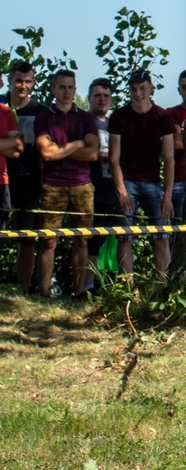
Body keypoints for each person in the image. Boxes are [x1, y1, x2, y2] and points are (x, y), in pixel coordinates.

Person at [33, 70, 99, 298]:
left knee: (82, 241)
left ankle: (79, 293)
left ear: (75, 89)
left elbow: (92, 153)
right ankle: (43, 293)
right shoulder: (43, 118)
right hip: (53, 185)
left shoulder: (86, 118)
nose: (67, 91)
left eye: (71, 87)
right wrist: (78, 143)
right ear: (53, 89)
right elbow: (46, 153)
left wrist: (60, 149)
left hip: (83, 185)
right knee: (48, 241)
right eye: (62, 87)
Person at [108, 70, 175, 276]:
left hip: (153, 181)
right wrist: (122, 192)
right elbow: (113, 159)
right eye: (134, 89)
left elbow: (169, 159)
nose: (138, 94)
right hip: (127, 181)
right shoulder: (119, 116)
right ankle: (128, 287)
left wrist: (167, 197)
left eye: (142, 89)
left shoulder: (163, 116)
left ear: (151, 88)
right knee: (125, 237)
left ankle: (162, 285)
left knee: (161, 236)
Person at [1, 62, 48, 293]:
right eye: (19, 80)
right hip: (2, 178)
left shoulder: (41, 111)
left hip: (30, 180)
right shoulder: (1, 104)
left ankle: (23, 290)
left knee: (27, 237)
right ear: (10, 80)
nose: (23, 85)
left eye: (28, 81)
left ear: (33, 83)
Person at [88, 78, 119, 290]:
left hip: (115, 191)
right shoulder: (84, 121)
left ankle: (110, 285)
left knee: (113, 239)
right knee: (91, 240)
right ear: (89, 97)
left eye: (106, 96)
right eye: (97, 95)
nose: (102, 99)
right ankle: (87, 284)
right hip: (91, 188)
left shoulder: (115, 123)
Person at [0, 73, 22, 240]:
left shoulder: (7, 112)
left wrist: (14, 141)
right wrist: (9, 142)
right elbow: (14, 143)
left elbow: (17, 149)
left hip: (2, 182)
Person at [167, 69, 186, 221]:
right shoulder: (172, 113)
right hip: (179, 179)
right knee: (178, 228)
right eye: (185, 87)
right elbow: (175, 142)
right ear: (179, 90)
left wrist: (184, 139)